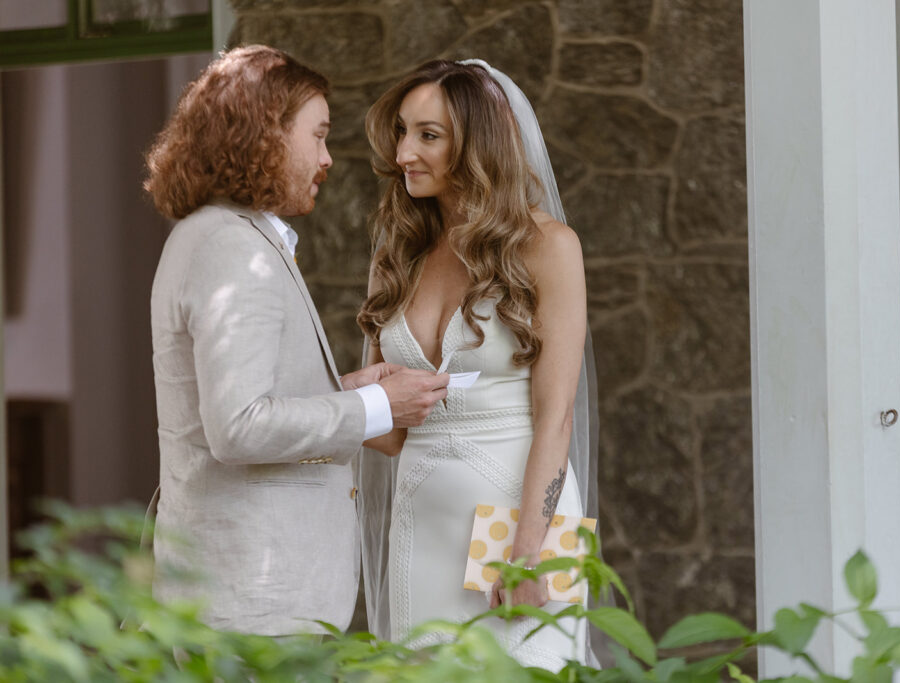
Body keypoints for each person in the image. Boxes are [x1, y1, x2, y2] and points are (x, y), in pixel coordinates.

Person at [144, 45, 449, 637]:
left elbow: (249, 397)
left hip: (248, 600)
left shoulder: (221, 236)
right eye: (319, 135)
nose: (328, 158)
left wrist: (346, 387)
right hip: (254, 607)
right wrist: (379, 408)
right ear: (266, 136)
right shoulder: (230, 248)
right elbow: (238, 426)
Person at [355, 59, 599, 671]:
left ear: (477, 144)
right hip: (422, 523)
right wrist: (339, 396)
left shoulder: (549, 247)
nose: (404, 151)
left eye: (428, 135)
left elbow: (556, 416)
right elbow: (387, 434)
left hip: (522, 524)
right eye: (403, 132)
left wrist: (528, 553)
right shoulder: (399, 253)